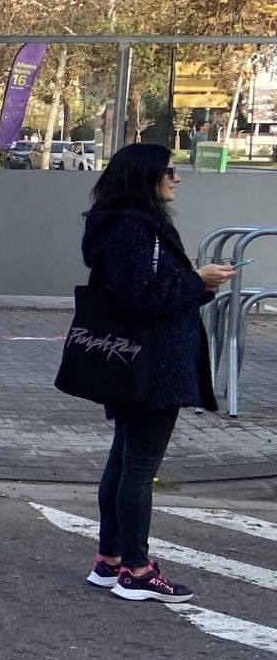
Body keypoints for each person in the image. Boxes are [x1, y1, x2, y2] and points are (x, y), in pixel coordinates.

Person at [79, 143, 230, 602]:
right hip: (151, 363)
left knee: (125, 459)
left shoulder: (127, 223)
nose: (177, 177)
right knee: (139, 467)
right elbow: (137, 296)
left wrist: (197, 286)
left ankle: (110, 560)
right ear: (144, 176)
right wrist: (196, 281)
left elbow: (149, 291)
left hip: (139, 360)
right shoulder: (131, 229)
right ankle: (137, 570)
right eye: (169, 170)